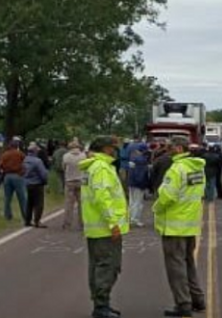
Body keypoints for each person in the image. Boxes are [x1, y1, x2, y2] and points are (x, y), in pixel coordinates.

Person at [153, 136, 206, 317]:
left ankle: (183, 303)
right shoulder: (198, 168)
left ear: (178, 149)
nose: (167, 150)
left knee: (175, 268)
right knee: (188, 263)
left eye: (170, 147)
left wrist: (156, 208)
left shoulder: (176, 169)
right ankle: (197, 299)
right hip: (190, 224)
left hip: (174, 225)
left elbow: (168, 196)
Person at [79, 136, 129, 318]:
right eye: (113, 148)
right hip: (105, 227)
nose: (116, 151)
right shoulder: (101, 168)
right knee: (108, 266)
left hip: (95, 227)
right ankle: (101, 306)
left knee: (98, 266)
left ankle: (101, 304)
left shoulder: (92, 167)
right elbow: (103, 197)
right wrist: (113, 223)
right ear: (106, 149)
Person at [0, 139, 27, 223]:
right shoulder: (20, 154)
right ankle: (25, 216)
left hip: (7, 176)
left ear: (10, 146)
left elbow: (0, 165)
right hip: (18, 175)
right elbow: (25, 163)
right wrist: (23, 172)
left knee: (7, 198)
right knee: (22, 197)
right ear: (17, 146)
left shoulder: (5, 154)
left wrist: (4, 170)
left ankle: (8, 216)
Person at [23, 142, 49, 228]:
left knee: (29, 203)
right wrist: (45, 182)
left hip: (27, 183)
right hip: (37, 184)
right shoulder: (38, 161)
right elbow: (43, 173)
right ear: (35, 151)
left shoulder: (24, 159)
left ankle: (27, 220)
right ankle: (37, 221)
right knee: (39, 203)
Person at [62, 140, 86, 230]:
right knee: (81, 204)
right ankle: (82, 223)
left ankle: (67, 223)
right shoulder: (83, 156)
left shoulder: (66, 156)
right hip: (80, 181)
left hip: (69, 181)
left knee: (69, 204)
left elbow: (63, 167)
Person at [128, 143, 151, 227]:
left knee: (132, 201)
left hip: (131, 182)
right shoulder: (142, 160)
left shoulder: (133, 158)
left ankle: (130, 218)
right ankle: (135, 219)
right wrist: (144, 184)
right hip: (138, 184)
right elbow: (141, 174)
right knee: (138, 202)